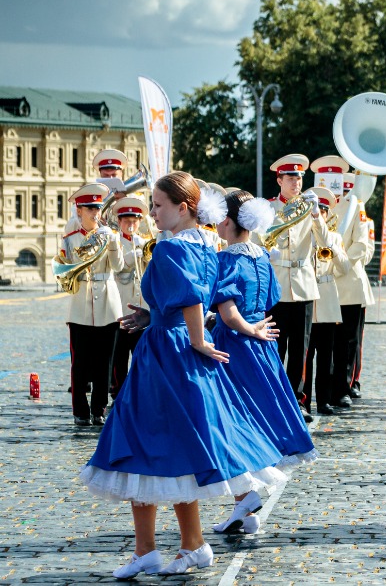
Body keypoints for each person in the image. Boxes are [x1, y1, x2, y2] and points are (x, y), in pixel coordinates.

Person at [80, 172, 287, 578]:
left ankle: (166, 547)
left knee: (144, 442)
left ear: (183, 208)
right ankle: (172, 546)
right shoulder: (205, 246)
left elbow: (192, 296)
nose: (152, 213)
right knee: (171, 448)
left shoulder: (173, 248)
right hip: (169, 344)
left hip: (167, 354)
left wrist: (196, 339)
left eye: (158, 206)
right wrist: (154, 315)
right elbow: (194, 297)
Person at [209, 190, 317, 535]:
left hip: (238, 345)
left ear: (229, 221)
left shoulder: (226, 260)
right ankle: (246, 507)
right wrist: (256, 326)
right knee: (251, 415)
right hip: (263, 345)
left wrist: (246, 328)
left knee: (232, 420)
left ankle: (245, 496)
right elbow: (271, 297)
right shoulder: (261, 257)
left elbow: (227, 313)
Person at [265, 154, 329, 422]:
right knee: (276, 348)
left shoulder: (308, 207)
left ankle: (299, 402)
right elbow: (259, 240)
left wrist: (316, 214)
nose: (296, 182)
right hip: (278, 284)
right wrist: (271, 256)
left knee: (301, 349)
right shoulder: (268, 208)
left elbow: (325, 242)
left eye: (300, 178)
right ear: (279, 180)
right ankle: (275, 400)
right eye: (291, 178)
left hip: (303, 284)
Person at [62, 182, 125, 426]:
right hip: (79, 303)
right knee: (79, 363)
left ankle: (98, 409)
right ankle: (80, 411)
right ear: (79, 210)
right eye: (90, 209)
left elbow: (118, 267)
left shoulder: (108, 233)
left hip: (108, 303)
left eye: (97, 209)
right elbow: (64, 267)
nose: (95, 213)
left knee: (104, 362)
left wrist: (115, 243)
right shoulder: (71, 234)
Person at [333, 172, 375, 405]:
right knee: (327, 341)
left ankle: (345, 385)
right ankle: (329, 384)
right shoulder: (322, 206)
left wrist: (339, 264)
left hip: (349, 282)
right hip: (326, 285)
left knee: (350, 340)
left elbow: (362, 245)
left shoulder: (357, 209)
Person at [305, 187, 347, 416]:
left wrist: (330, 247)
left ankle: (324, 399)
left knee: (326, 356)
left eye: (323, 211)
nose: (320, 214)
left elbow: (346, 267)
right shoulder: (302, 234)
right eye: (317, 210)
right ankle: (303, 401)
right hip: (308, 297)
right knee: (305, 355)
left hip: (328, 298)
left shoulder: (335, 238)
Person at [110, 196, 151, 403]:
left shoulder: (145, 243)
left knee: (139, 352)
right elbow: (116, 267)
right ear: (119, 221)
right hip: (120, 305)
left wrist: (144, 254)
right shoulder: (114, 242)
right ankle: (117, 391)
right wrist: (130, 255)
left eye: (135, 221)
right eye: (127, 221)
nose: (131, 225)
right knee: (118, 355)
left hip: (140, 307)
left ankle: (139, 389)